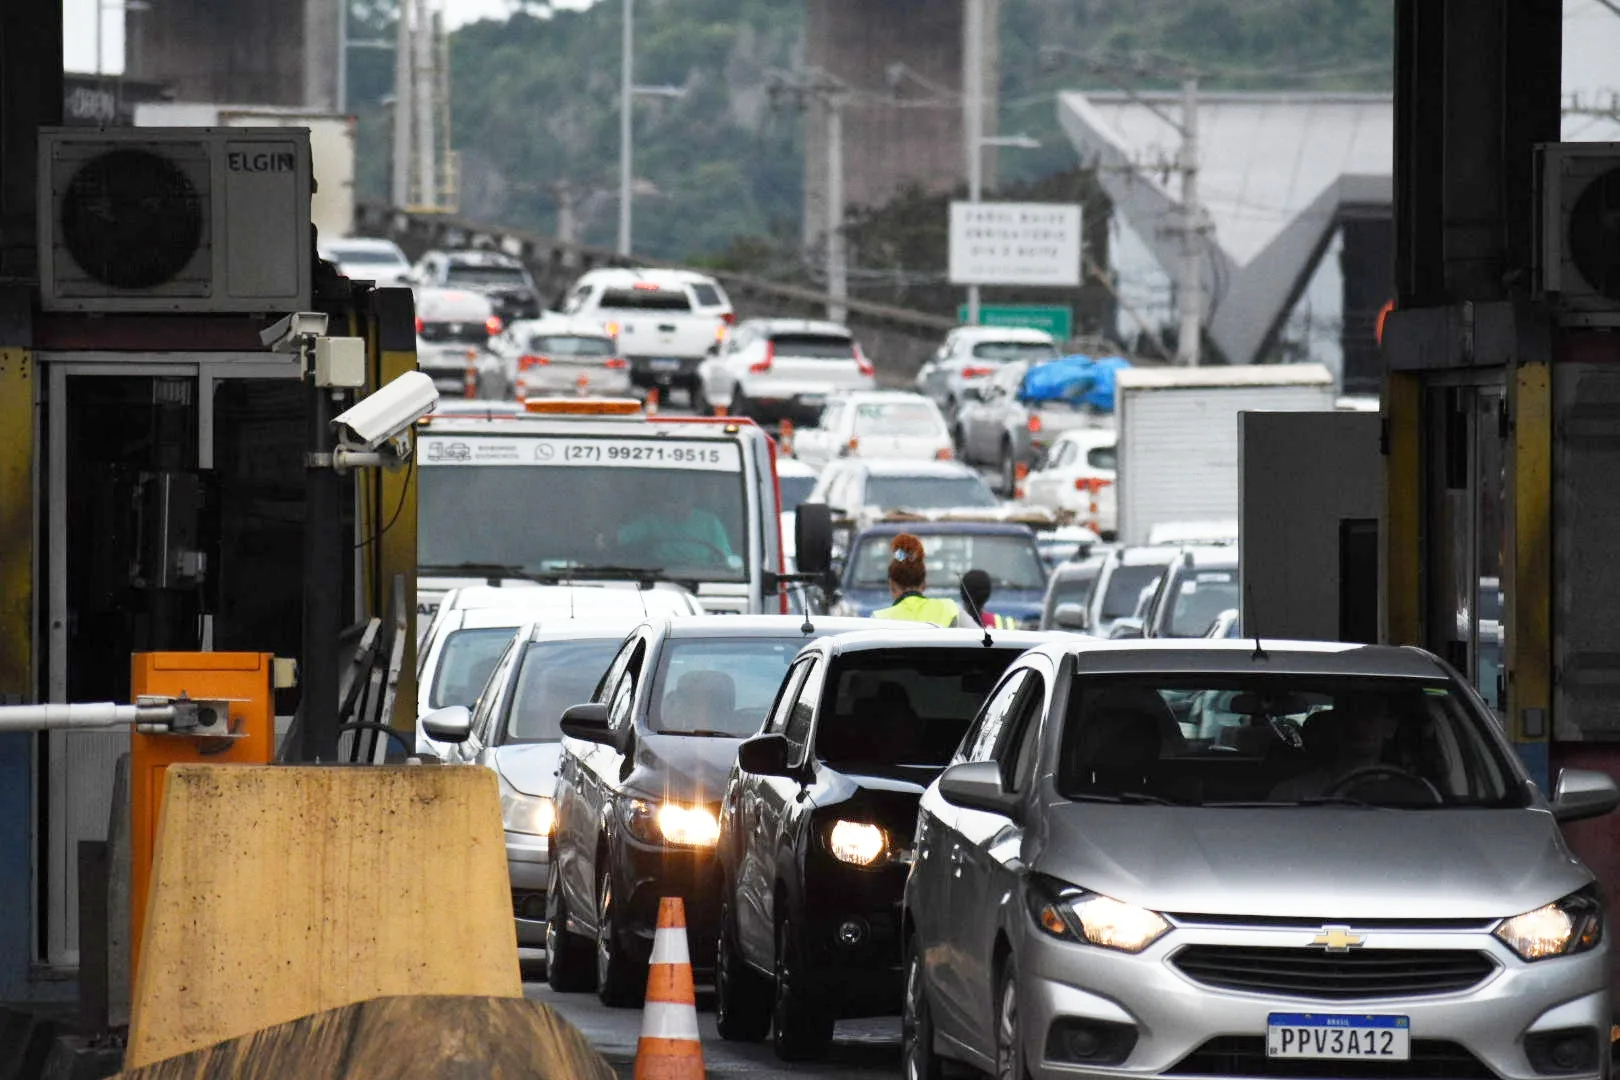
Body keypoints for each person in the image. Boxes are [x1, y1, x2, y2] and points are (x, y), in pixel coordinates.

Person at [1269, 695, 1399, 801]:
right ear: (1335, 726)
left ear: (1390, 727)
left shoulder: (1410, 792)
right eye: (1348, 716)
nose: (1357, 726)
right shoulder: (1292, 794)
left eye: (1370, 716)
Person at [615, 486, 735, 568]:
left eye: (681, 499)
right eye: (671, 500)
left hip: (703, 578)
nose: (676, 506)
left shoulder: (710, 522)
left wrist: (731, 565)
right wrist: (607, 539)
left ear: (692, 499)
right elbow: (623, 536)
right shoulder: (652, 521)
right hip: (659, 578)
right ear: (663, 503)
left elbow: (726, 558)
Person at [872, 533, 976, 627]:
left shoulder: (878, 619)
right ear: (924, 584)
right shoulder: (951, 609)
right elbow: (980, 639)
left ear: (892, 585)